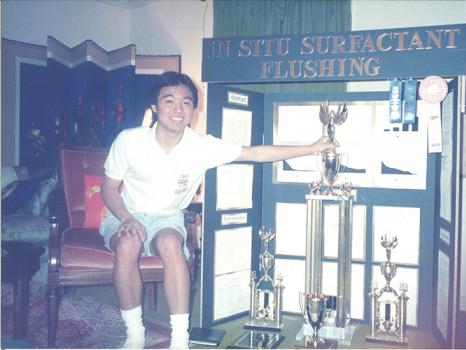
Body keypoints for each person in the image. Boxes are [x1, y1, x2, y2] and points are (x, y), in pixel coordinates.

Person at [99, 71, 337, 349]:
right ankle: (135, 336)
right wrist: (127, 218)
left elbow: (256, 153)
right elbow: (108, 189)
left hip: (166, 216)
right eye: (169, 101)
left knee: (170, 243)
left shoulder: (201, 146)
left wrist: (311, 148)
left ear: (193, 111)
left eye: (186, 103)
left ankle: (179, 340)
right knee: (128, 243)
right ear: (154, 107)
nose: (178, 109)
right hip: (125, 212)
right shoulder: (129, 140)